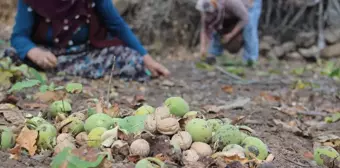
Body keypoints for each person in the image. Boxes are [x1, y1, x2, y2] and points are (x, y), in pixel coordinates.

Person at [7, 0, 170, 81]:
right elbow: (18, 36)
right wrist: (33, 52)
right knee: (10, 55)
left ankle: (59, 72)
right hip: (48, 54)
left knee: (133, 62)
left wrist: (146, 58)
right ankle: (52, 70)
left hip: (85, 54)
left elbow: (117, 25)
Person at [196, 0, 262, 67]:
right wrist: (203, 48)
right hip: (232, 8)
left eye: (209, 12)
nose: (207, 14)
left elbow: (245, 19)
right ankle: (213, 55)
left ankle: (251, 60)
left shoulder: (231, 3)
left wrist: (230, 35)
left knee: (248, 28)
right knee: (216, 23)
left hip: (250, 3)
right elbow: (205, 28)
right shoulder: (208, 7)